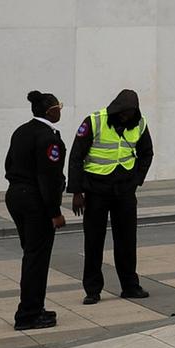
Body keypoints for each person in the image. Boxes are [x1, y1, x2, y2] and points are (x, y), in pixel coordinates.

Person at [68, 89, 153, 305]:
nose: (126, 117)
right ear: (116, 109)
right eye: (123, 113)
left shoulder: (139, 124)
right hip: (96, 190)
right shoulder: (94, 121)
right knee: (94, 241)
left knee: (126, 240)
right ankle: (93, 290)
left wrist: (137, 179)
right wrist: (77, 191)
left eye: (130, 113)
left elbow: (147, 153)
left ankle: (130, 286)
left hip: (124, 190)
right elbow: (76, 155)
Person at [4, 90, 67, 331]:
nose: (60, 110)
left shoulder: (21, 131)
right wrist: (55, 212)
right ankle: (28, 314)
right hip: (35, 202)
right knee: (36, 259)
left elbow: (8, 164)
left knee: (31, 255)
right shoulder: (48, 137)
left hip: (15, 195)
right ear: (51, 111)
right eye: (59, 107)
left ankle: (34, 307)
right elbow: (48, 178)